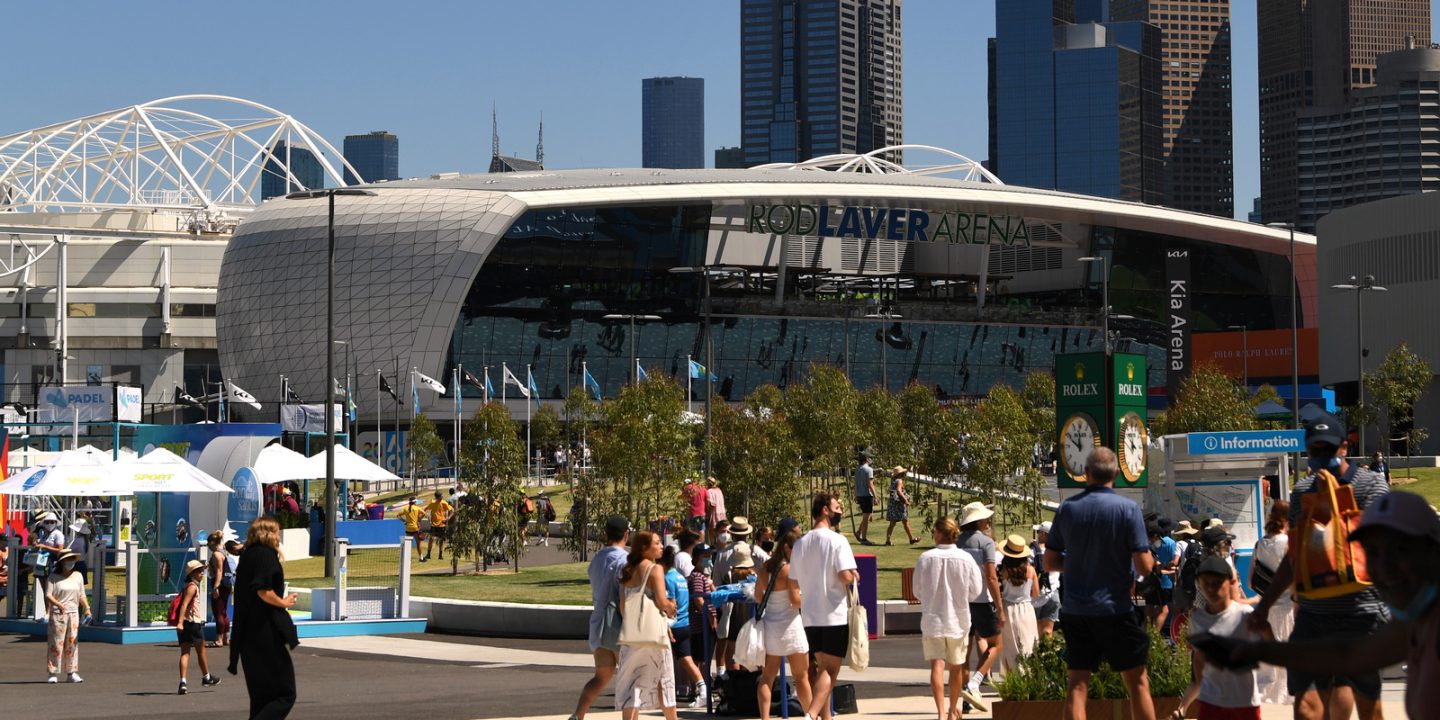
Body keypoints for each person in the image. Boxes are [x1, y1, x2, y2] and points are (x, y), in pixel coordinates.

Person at [1219, 490, 1440, 719]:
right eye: (1371, 552)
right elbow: (1348, 656)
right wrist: (1257, 650)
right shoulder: (1416, 620)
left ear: (1433, 549)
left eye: (1399, 549)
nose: (1384, 565)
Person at [1248, 412, 1391, 720]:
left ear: (1344, 448)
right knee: (1306, 707)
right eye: (1315, 450)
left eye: (1328, 449)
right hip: (1314, 616)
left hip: (1361, 613)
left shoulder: (1372, 486)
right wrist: (1264, 605)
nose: (1321, 456)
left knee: (1368, 706)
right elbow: (1294, 558)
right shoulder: (1302, 492)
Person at [1045, 447, 1157, 720]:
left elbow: (1049, 562)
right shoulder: (1128, 510)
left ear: (1086, 474)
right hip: (1115, 609)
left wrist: (1073, 565)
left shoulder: (1068, 509)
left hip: (1076, 610)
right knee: (1137, 681)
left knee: (1078, 684)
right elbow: (1144, 566)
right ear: (1116, 475)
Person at [790, 491, 858, 720]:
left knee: (820, 671)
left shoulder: (800, 544)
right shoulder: (838, 541)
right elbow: (845, 576)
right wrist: (854, 575)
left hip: (809, 615)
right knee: (830, 671)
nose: (841, 511)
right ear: (825, 510)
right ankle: (810, 715)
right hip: (833, 614)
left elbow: (795, 579)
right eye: (837, 507)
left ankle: (825, 717)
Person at [1175, 556, 1265, 720]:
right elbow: (1199, 658)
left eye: (1216, 583)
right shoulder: (1197, 620)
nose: (1211, 589)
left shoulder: (1245, 615)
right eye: (1205, 584)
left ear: (1231, 582)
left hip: (1244, 702)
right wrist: (1200, 685)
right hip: (1212, 703)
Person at [915, 516, 988, 719]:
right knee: (956, 667)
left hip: (933, 619)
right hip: (958, 619)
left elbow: (917, 590)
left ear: (938, 533)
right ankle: (952, 708)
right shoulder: (966, 559)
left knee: (936, 666)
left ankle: (940, 712)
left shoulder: (926, 558)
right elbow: (975, 590)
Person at [229, 516, 299, 719]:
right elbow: (262, 590)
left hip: (247, 635)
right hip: (264, 633)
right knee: (285, 694)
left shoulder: (248, 555)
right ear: (268, 533)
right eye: (277, 532)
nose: (279, 537)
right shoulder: (265, 556)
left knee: (261, 698)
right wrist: (283, 602)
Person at [568, 516, 631, 720]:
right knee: (631, 681)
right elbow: (624, 596)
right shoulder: (625, 560)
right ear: (626, 535)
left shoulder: (597, 559)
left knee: (601, 676)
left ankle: (578, 715)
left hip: (598, 625)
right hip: (618, 627)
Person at [614, 530, 679, 720]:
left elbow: (623, 607)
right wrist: (671, 607)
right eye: (657, 543)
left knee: (633, 685)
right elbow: (661, 602)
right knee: (665, 681)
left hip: (632, 636)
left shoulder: (628, 570)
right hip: (654, 638)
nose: (661, 546)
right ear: (644, 548)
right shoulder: (655, 569)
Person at [754, 524, 811, 720]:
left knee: (767, 677)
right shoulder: (789, 570)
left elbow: (757, 596)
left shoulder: (765, 568)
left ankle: (765, 717)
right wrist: (809, 599)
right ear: (787, 548)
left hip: (771, 625)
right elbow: (796, 601)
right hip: (791, 625)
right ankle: (811, 715)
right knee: (801, 677)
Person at [956, 501, 1003, 700]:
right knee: (996, 643)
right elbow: (991, 577)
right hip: (982, 600)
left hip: (960, 601)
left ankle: (966, 692)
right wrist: (1000, 607)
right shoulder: (986, 542)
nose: (988, 520)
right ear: (978, 521)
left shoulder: (956, 542)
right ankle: (975, 683)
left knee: (964, 652)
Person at [1251, 500, 1293, 705]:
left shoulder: (1260, 543)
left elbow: (1252, 581)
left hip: (1266, 606)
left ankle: (1266, 693)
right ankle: (1284, 694)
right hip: (1287, 606)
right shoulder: (1289, 543)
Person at [661, 546, 707, 708]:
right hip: (685, 623)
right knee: (687, 660)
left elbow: (669, 603)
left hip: (672, 625)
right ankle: (703, 689)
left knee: (664, 661)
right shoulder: (681, 578)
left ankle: (663, 694)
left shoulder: (666, 578)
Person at [176, 559, 222, 694]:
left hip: (185, 624)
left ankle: (183, 682)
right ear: (192, 574)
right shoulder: (192, 587)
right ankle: (206, 677)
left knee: (185, 653)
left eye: (202, 571)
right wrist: (179, 622)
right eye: (199, 572)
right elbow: (184, 605)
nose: (202, 574)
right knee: (200, 652)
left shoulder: (187, 586)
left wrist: (180, 623)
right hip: (193, 623)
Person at [44, 549, 90, 683]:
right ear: (62, 562)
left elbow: (82, 594)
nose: (71, 562)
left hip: (74, 613)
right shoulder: (53, 577)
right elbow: (48, 595)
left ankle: (72, 672)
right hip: (58, 614)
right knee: (56, 643)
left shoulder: (78, 576)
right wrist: (58, 604)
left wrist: (87, 608)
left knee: (72, 644)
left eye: (72, 560)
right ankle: (52, 672)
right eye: (68, 560)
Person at [997, 534, 1040, 678]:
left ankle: (1012, 678)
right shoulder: (1031, 570)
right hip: (1026, 609)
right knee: (1028, 643)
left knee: (1010, 646)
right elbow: (1036, 593)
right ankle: (1029, 676)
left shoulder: (1004, 570)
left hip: (1008, 608)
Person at [1146, 517, 1179, 631]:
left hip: (1150, 579)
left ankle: (1149, 629)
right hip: (1165, 579)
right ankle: (1155, 633)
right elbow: (1173, 562)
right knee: (1165, 607)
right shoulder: (1171, 543)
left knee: (1150, 605)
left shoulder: (1150, 544)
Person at [1031, 521, 1061, 638]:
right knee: (1048, 631)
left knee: (1035, 631)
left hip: (1037, 596)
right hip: (1053, 593)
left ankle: (1035, 655)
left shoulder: (1033, 552)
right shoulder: (1057, 551)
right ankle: (1047, 655)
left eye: (1039, 532)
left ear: (1044, 534)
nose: (1038, 534)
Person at [207, 532, 232, 648]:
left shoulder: (216, 554)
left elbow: (219, 571)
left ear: (213, 542)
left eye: (209, 542)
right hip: (227, 584)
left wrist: (216, 587)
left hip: (220, 584)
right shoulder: (224, 552)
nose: (207, 545)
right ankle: (226, 638)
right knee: (223, 612)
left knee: (218, 612)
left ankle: (219, 639)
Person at [854, 450, 877, 545]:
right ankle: (863, 539)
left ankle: (859, 531)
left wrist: (856, 495)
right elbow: (870, 484)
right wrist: (875, 496)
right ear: (866, 459)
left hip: (860, 495)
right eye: (870, 458)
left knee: (866, 516)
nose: (871, 459)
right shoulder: (868, 469)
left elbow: (855, 484)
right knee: (866, 517)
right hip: (867, 495)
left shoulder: (857, 469)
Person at [423, 490, 454, 560]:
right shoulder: (433, 503)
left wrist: (448, 518)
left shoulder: (444, 503)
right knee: (431, 539)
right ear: (436, 497)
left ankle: (440, 555)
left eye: (441, 496)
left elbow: (452, 511)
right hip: (434, 524)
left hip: (442, 525)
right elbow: (425, 509)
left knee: (441, 540)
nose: (441, 498)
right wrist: (427, 515)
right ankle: (428, 554)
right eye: (440, 497)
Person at [705, 477, 727, 544]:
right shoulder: (719, 490)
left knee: (712, 531)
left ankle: (713, 546)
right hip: (722, 513)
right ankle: (721, 545)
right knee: (721, 531)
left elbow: (711, 504)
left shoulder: (709, 491)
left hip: (715, 513)